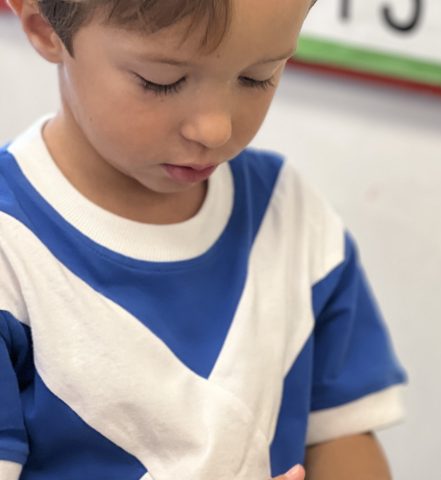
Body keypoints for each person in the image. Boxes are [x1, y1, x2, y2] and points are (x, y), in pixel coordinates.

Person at [0, 0, 407, 479]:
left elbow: (343, 436)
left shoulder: (287, 213)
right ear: (44, 27)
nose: (216, 129)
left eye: (257, 77)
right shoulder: (13, 248)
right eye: (161, 81)